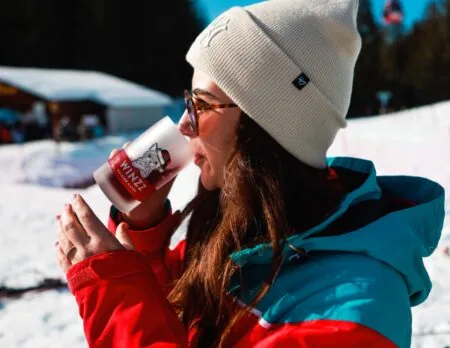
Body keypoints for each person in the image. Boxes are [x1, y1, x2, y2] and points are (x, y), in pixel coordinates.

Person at [55, 0, 445, 347]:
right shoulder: (246, 231)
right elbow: (175, 320)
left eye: (201, 105)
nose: (184, 125)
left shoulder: (355, 315)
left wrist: (114, 294)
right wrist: (145, 232)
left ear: (268, 125)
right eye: (187, 101)